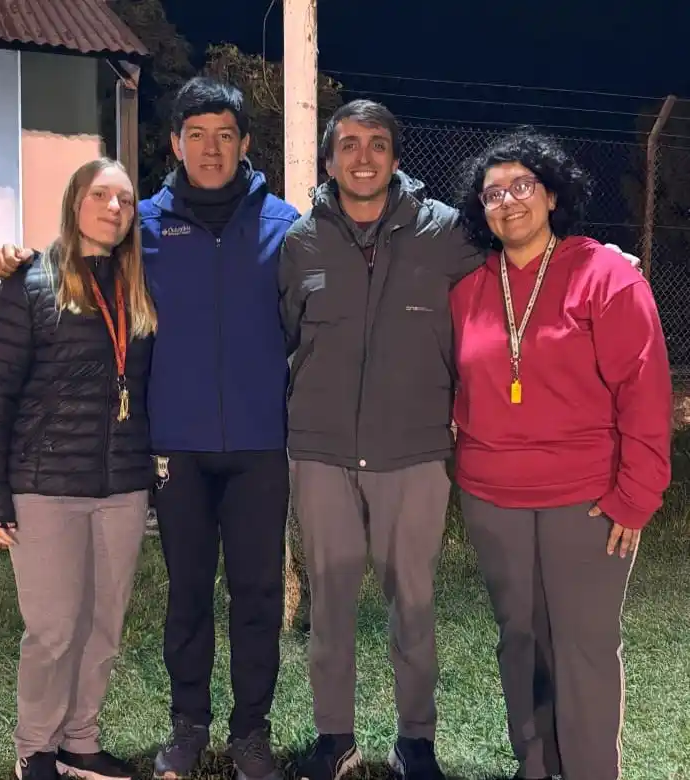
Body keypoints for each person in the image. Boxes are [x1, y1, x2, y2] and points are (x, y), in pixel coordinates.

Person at [0, 77, 300, 780]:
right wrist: (20, 260)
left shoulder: (286, 225)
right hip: (174, 451)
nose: (211, 149)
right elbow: (79, 256)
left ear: (246, 144)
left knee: (254, 597)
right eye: (197, 135)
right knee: (186, 596)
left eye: (225, 135)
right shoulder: (144, 225)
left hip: (259, 446)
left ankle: (251, 731)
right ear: (175, 143)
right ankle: (187, 726)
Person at [450, 132, 672, 780]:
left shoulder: (606, 274)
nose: (509, 201)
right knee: (520, 643)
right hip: (493, 499)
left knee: (583, 649)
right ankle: (536, 763)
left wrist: (637, 495)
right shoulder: (467, 291)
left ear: (551, 193)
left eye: (522, 185)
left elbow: (645, 391)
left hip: (587, 500)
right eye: (493, 193)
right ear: (481, 210)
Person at [278, 100, 483, 780]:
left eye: (377, 144)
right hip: (322, 453)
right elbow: (280, 336)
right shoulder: (301, 241)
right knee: (330, 607)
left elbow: (522, 252)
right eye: (349, 145)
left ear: (396, 157)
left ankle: (414, 740)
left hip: (414, 451)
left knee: (413, 605)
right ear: (330, 158)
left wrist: (596, 253)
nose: (362, 157)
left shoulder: (448, 233)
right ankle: (333, 739)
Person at [0, 158, 157, 780]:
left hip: (121, 486)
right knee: (53, 629)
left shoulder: (137, 286)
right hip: (45, 487)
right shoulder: (29, 283)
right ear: (75, 201)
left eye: (125, 201)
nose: (114, 209)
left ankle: (80, 739)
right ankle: (35, 748)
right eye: (101, 195)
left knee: (103, 626)